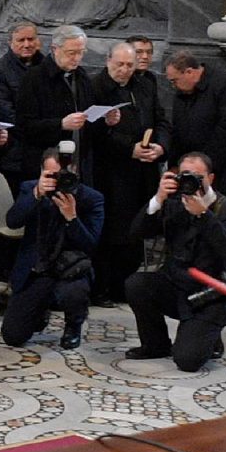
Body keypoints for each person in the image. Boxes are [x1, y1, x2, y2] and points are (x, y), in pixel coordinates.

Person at [121, 152, 226, 372]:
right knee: (137, 284)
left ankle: (210, 335)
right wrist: (158, 199)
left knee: (187, 361)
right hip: (175, 284)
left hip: (208, 295)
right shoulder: (174, 203)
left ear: (211, 178)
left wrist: (204, 215)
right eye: (186, 176)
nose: (192, 182)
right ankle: (155, 345)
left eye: (198, 177)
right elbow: (136, 233)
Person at [84, 39, 168, 303]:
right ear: (108, 61)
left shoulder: (145, 85)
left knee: (136, 228)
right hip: (111, 171)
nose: (124, 70)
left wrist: (160, 147)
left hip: (143, 170)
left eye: (129, 65)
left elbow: (162, 120)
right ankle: (103, 287)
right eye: (119, 64)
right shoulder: (95, 87)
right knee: (112, 232)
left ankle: (126, 286)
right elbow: (94, 133)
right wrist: (127, 148)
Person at [0, 142, 104, 351]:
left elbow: (91, 244)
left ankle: (73, 326)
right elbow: (12, 221)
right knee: (13, 335)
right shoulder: (30, 189)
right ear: (41, 172)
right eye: (51, 175)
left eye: (64, 175)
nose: (58, 181)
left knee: (73, 292)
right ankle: (40, 312)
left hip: (71, 269)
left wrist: (72, 218)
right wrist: (37, 194)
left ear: (75, 171)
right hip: (38, 268)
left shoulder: (91, 199)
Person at [159, 49, 226, 208]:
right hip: (200, 176)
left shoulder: (225, 82)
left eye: (174, 80)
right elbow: (179, 131)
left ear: (189, 72)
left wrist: (203, 163)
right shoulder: (183, 92)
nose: (172, 85)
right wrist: (176, 164)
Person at [13, 23, 97, 176]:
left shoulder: (82, 77)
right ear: (54, 49)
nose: (77, 58)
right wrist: (61, 124)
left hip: (78, 159)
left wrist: (107, 119)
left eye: (81, 52)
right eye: (71, 53)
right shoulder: (34, 78)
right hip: (44, 161)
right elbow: (24, 125)